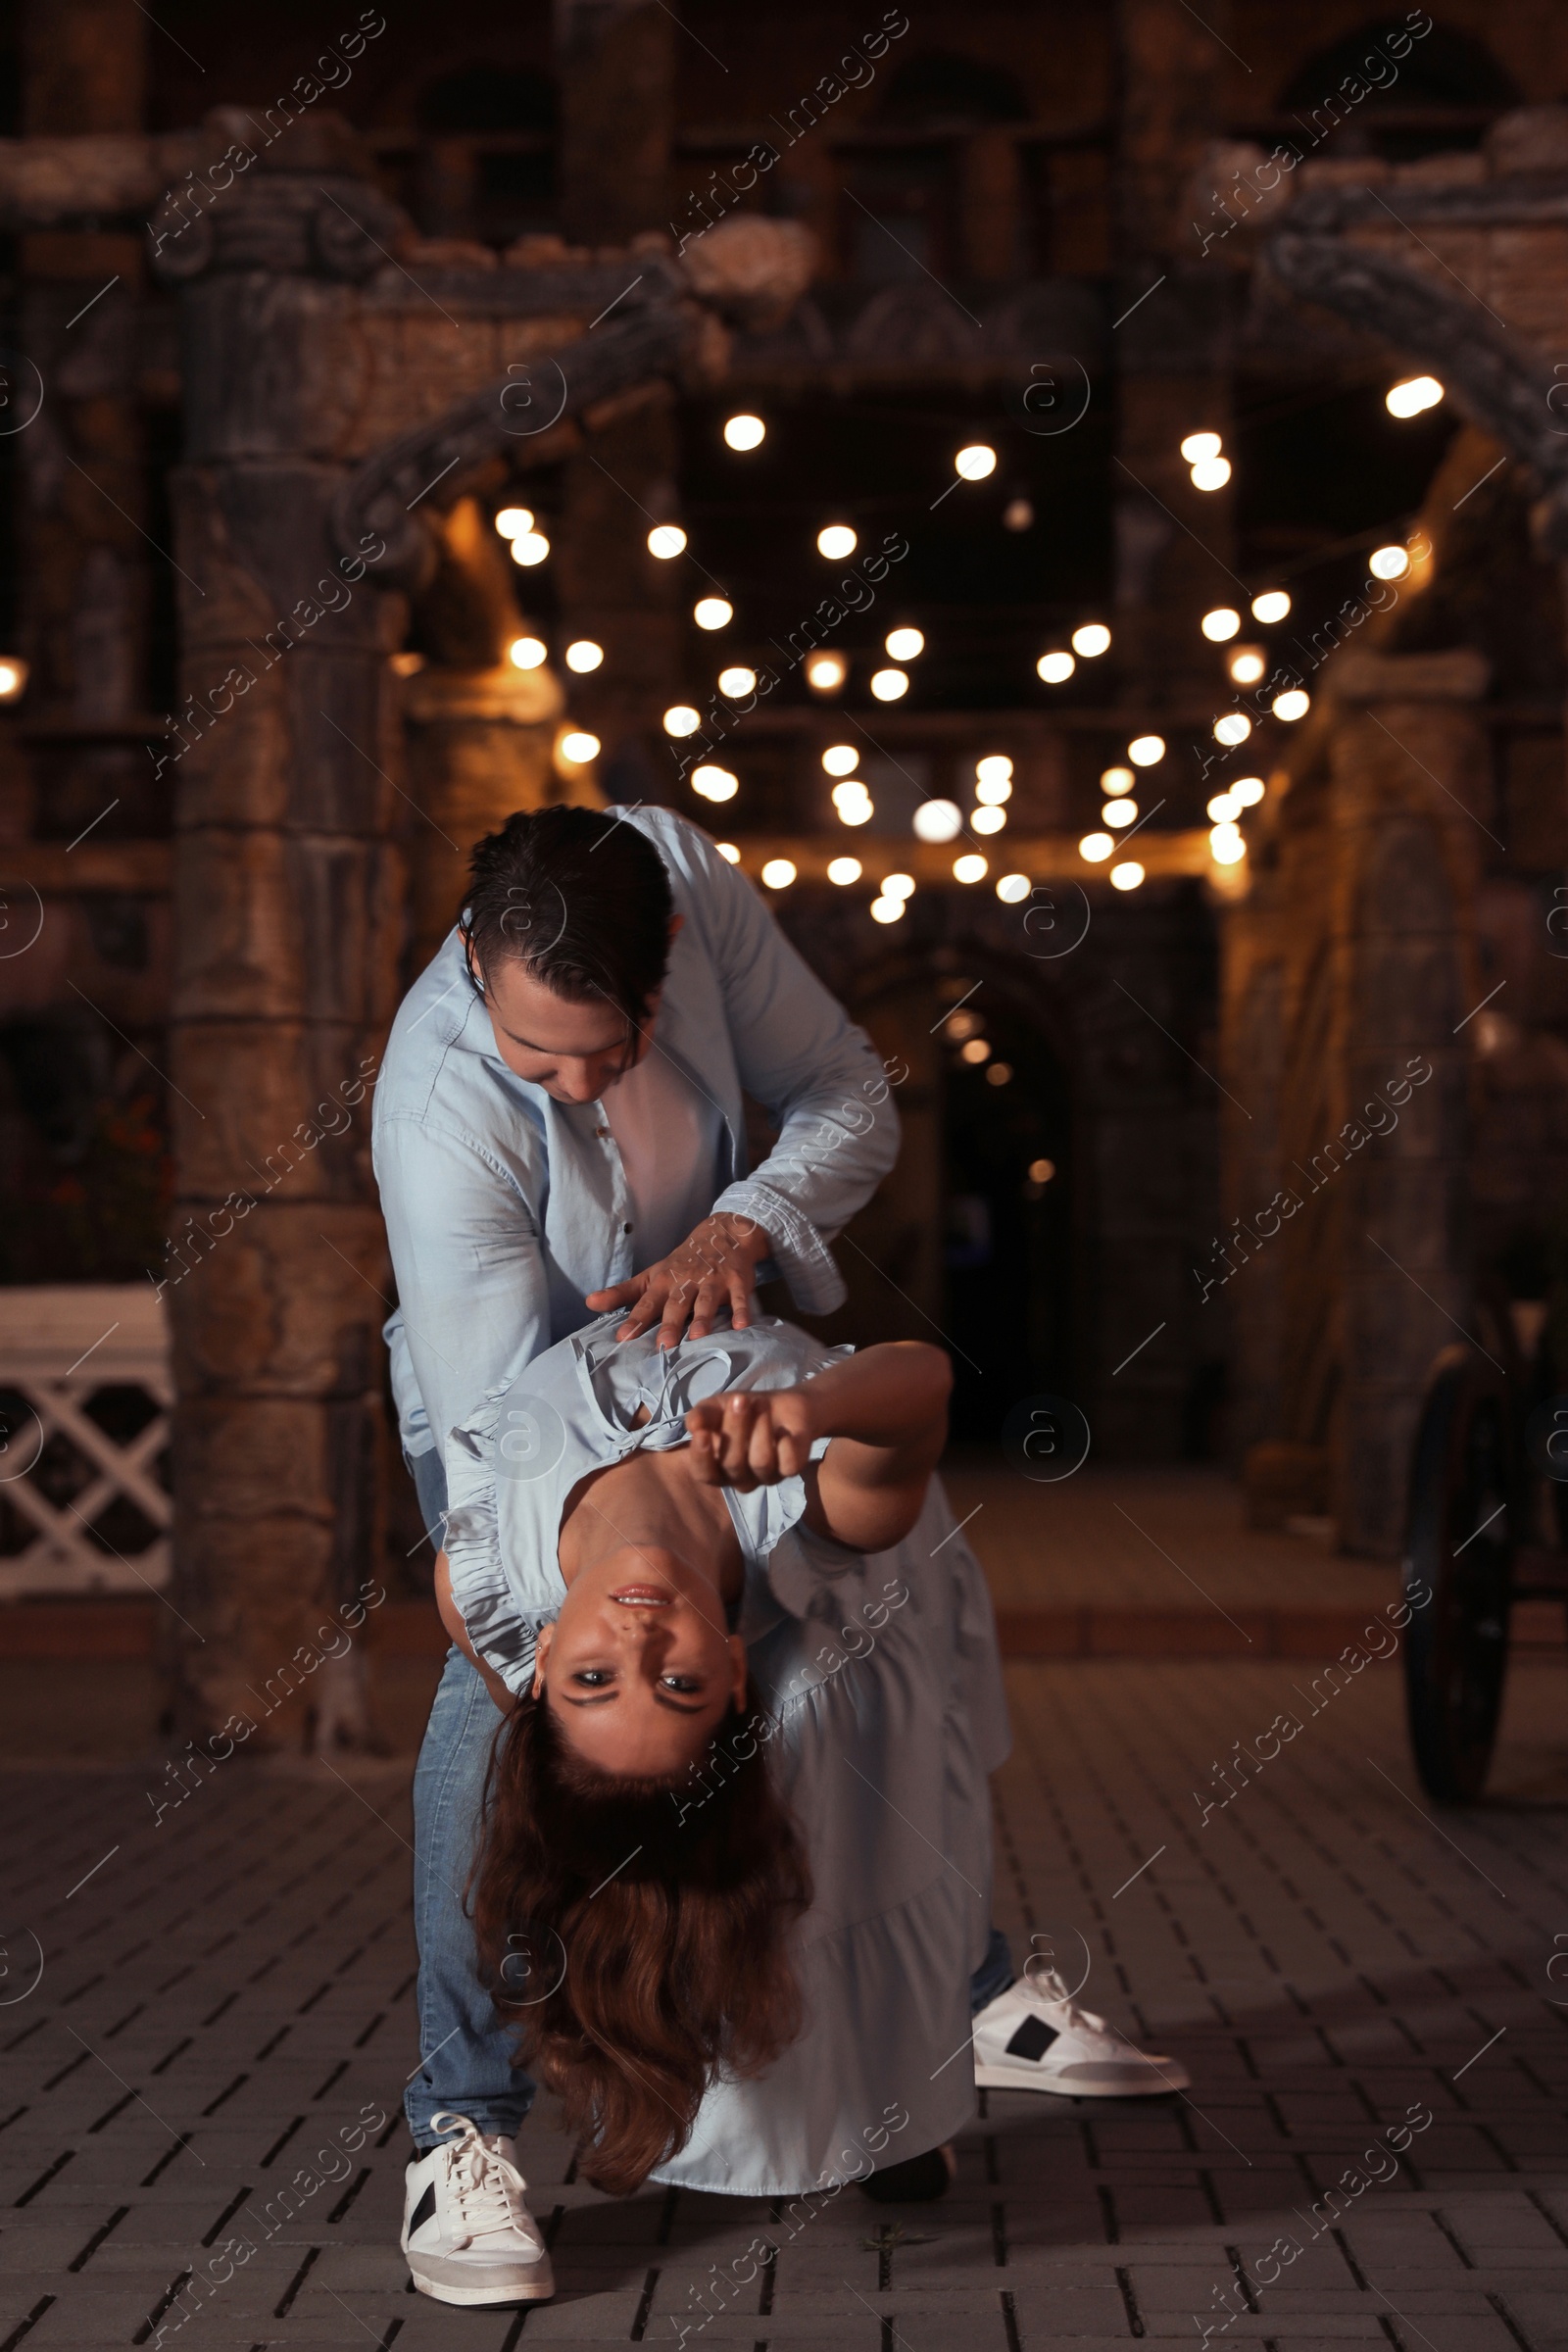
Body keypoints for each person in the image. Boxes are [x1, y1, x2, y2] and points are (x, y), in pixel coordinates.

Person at [373, 802, 908, 2294]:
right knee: (502, 1699)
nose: (578, 1083)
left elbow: (853, 1096)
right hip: (523, 1412)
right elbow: (505, 1442)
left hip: (723, 1347)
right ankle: (457, 2133)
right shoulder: (437, 1114)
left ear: (664, 957)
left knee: (846, 1642)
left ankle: (920, 2027)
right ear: (477, 963)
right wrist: (623, 1555)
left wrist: (744, 1223)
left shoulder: (689, 889)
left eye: (608, 1052)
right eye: (538, 1057)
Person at [399, 1310, 1190, 2308]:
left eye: (596, 1678)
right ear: (729, 1669)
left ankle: (882, 2100)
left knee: (693, 1806)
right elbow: (920, 1382)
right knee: (847, 1790)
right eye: (677, 1686)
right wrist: (812, 1408)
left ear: (546, 1659)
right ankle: (897, 2086)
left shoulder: (479, 1583)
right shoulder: (812, 1528)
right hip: (887, 1582)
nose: (638, 1645)